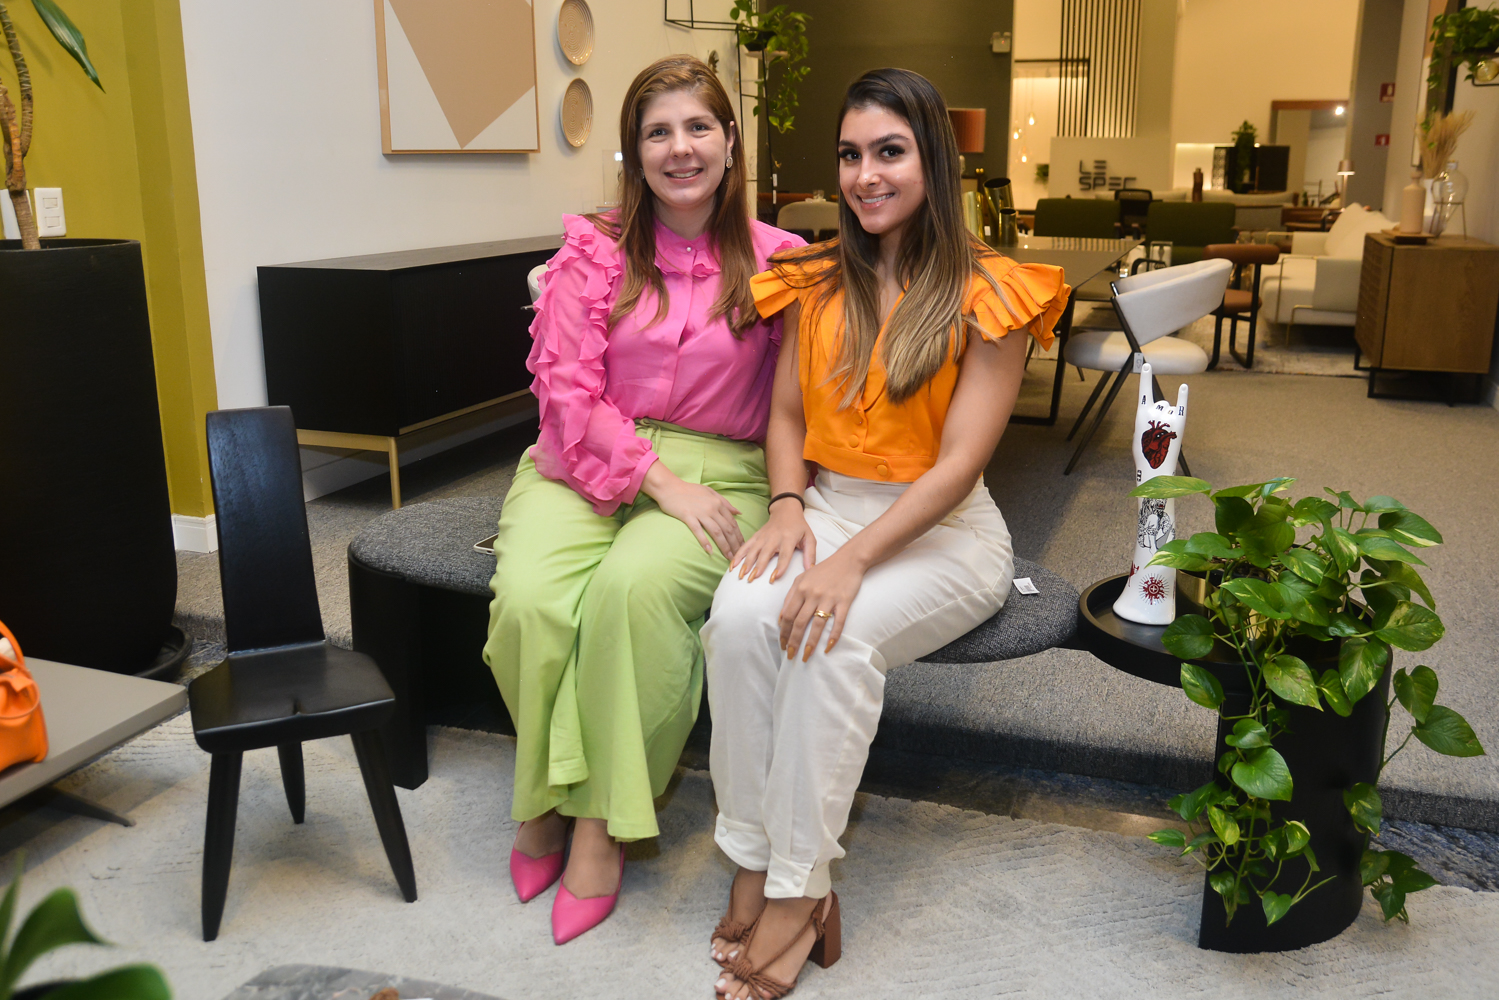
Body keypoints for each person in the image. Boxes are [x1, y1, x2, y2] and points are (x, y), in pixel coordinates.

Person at [703, 68, 1071, 998]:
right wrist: (788, 508)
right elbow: (785, 416)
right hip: (825, 504)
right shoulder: (815, 280)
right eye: (850, 154)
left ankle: (799, 891)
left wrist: (851, 563)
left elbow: (957, 468)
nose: (865, 175)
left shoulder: (991, 292)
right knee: (737, 620)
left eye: (889, 152)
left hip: (942, 531)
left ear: (933, 160)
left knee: (828, 639)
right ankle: (751, 854)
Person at [482, 54, 804, 946]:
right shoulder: (592, 249)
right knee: (530, 604)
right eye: (657, 132)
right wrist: (656, 480)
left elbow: (806, 400)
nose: (679, 148)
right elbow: (565, 392)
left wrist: (789, 499)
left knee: (633, 596)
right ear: (633, 153)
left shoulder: (783, 264)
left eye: (698, 127)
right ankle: (543, 796)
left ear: (730, 140)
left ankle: (599, 824)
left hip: (724, 468)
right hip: (584, 454)